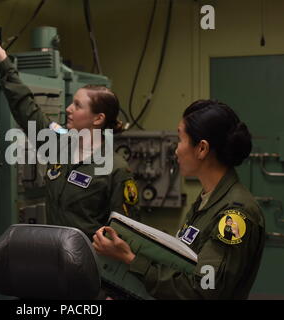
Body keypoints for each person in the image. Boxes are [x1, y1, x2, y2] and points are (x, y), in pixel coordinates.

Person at [0, 19, 138, 239]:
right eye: (72, 103)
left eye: (78, 105)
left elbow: (125, 235)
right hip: (56, 257)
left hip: (92, 266)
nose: (69, 109)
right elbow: (26, 107)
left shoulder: (115, 170)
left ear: (98, 118)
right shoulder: (59, 147)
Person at [93, 100, 265, 299]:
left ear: (202, 149)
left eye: (180, 139)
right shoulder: (207, 200)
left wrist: (130, 259)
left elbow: (204, 289)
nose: (176, 150)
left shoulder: (235, 214)